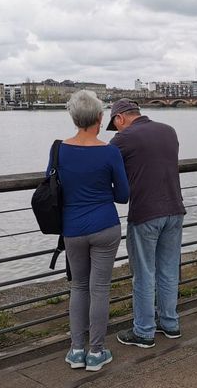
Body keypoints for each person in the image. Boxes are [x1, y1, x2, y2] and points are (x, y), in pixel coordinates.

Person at [54, 90, 129, 372]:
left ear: (74, 118)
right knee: (100, 289)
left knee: (78, 287)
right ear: (100, 118)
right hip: (105, 226)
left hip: (72, 228)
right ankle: (96, 352)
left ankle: (76, 350)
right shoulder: (109, 151)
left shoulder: (59, 150)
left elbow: (53, 187)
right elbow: (123, 195)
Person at [109, 99, 186, 349]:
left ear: (120, 118)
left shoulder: (124, 138)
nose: (116, 130)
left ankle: (143, 331)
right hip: (175, 209)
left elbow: (102, 164)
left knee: (143, 273)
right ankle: (170, 322)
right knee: (168, 269)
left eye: (115, 125)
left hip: (145, 213)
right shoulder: (168, 130)